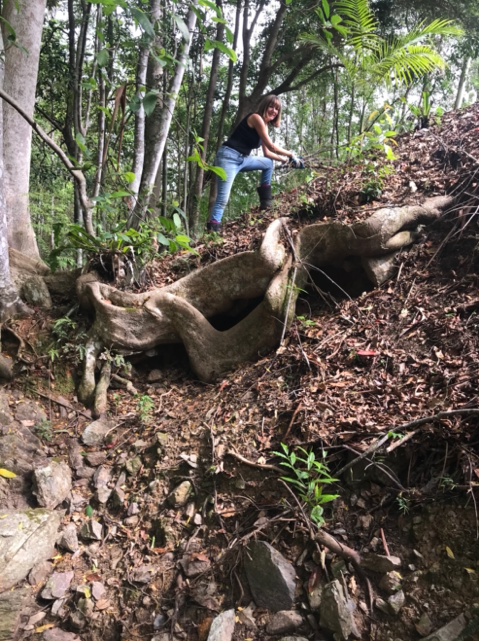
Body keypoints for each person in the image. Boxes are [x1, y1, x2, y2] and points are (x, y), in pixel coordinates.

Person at [206, 94, 304, 232]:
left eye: (277, 109)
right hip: (228, 157)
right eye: (271, 106)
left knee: (268, 163)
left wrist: (288, 161)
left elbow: (267, 154)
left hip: (243, 159)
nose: (274, 111)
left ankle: (266, 203)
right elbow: (271, 147)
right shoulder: (255, 118)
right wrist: (291, 154)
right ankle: (213, 231)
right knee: (223, 198)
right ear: (265, 106)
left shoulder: (264, 125)